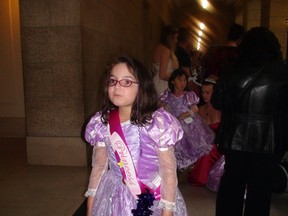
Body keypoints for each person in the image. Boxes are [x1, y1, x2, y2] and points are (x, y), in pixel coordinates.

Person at [84, 56, 188, 216]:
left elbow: (168, 172)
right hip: (114, 195)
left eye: (126, 82)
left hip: (153, 196)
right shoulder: (102, 122)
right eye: (112, 81)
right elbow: (99, 167)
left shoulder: (157, 123)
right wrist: (91, 205)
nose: (117, 87)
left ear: (142, 87)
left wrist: (167, 211)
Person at [211, 27, 288, 216]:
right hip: (268, 141)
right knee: (260, 192)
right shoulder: (282, 71)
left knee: (232, 186)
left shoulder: (231, 69)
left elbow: (217, 102)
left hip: (234, 139)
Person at [159, 68, 214, 170]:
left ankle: (189, 166)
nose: (182, 83)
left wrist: (183, 116)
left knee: (190, 145)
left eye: (184, 80)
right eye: (180, 80)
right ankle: (177, 166)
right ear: (172, 81)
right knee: (176, 146)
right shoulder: (168, 95)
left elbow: (195, 108)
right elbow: (160, 108)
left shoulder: (188, 95)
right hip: (174, 124)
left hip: (188, 124)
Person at [188, 75, 223, 187]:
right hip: (203, 144)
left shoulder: (222, 109)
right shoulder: (200, 109)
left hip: (219, 144)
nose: (204, 95)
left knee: (209, 151)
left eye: (208, 93)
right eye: (203, 92)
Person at [153, 25, 179, 96]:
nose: (176, 41)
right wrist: (177, 78)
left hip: (159, 83)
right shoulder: (165, 50)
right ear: (169, 38)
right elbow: (163, 75)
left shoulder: (159, 47)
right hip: (164, 85)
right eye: (175, 38)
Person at [175, 27, 200, 94]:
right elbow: (186, 73)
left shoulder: (177, 50)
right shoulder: (182, 52)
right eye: (191, 38)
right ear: (187, 39)